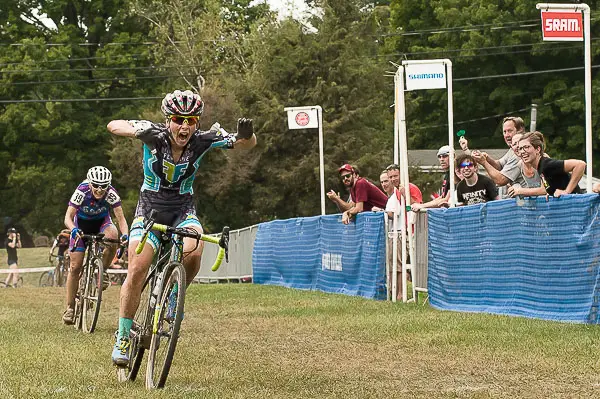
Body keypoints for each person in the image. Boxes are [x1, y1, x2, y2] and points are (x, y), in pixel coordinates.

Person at [106, 89, 257, 366]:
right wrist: (133, 129)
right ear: (168, 121)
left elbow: (244, 144)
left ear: (197, 123)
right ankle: (123, 336)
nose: (184, 126)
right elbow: (113, 125)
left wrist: (249, 134)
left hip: (183, 210)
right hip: (149, 210)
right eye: (178, 119)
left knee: (196, 246)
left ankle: (175, 296)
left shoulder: (203, 140)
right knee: (138, 268)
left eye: (190, 120)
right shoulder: (153, 134)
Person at [62, 166, 129, 325]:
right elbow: (68, 217)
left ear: (109, 185)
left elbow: (121, 219)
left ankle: (103, 270)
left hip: (102, 223)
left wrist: (125, 235)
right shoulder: (82, 191)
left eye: (104, 186)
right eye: (96, 185)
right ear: (90, 183)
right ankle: (70, 307)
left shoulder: (111, 194)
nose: (99, 189)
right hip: (81, 225)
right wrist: (73, 230)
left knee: (113, 236)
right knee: (75, 266)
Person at [383, 164, 422, 300]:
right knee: (397, 263)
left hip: (412, 231)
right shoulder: (396, 192)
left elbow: (418, 206)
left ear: (401, 174)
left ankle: (401, 293)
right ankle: (396, 292)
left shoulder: (411, 188)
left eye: (395, 176)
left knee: (402, 264)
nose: (393, 179)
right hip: (401, 231)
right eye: (391, 177)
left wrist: (406, 196)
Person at [509, 131, 585, 197]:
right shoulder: (540, 168)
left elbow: (580, 164)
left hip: (577, 205)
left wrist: (567, 191)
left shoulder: (547, 165)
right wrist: (550, 193)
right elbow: (549, 187)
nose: (522, 151)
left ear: (538, 149)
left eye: (526, 147)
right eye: (521, 148)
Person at [469, 116, 527, 193]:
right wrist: (487, 158)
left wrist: (483, 162)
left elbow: (501, 180)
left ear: (520, 130)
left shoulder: (519, 153)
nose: (507, 135)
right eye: (504, 132)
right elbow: (500, 165)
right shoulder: (512, 150)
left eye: (510, 131)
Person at [411, 145, 452, 211]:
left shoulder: (455, 174)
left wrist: (422, 206)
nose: (441, 159)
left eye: (445, 156)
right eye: (439, 156)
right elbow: (442, 197)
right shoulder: (447, 174)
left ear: (453, 156)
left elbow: (446, 199)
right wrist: (421, 205)